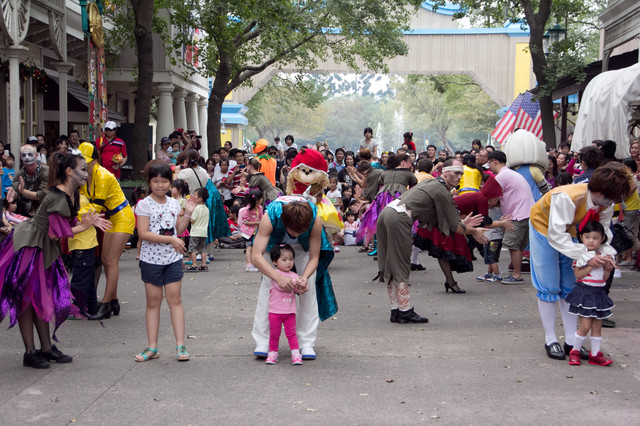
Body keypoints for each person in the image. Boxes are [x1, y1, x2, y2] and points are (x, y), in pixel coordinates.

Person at [0, 152, 111, 368]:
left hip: (42, 247)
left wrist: (88, 221)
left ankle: (46, 348)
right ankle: (30, 352)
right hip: (29, 245)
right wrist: (87, 225)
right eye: (81, 169)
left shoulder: (73, 194)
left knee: (40, 298)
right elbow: (55, 233)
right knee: (27, 299)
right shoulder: (57, 196)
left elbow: (64, 225)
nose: (85, 173)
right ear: (69, 172)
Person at [529, 166, 631, 361]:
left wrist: (605, 255)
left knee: (570, 286)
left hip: (570, 234)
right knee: (549, 285)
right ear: (601, 193)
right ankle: (550, 339)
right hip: (543, 229)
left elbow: (604, 234)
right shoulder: (567, 197)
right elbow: (556, 235)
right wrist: (586, 256)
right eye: (615, 197)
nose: (615, 202)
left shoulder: (605, 204)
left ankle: (571, 341)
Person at [377, 159, 487, 322]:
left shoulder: (433, 184)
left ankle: (396, 310)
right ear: (445, 172)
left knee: (391, 264)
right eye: (456, 173)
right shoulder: (440, 190)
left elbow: (451, 222)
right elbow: (454, 226)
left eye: (461, 174)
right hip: (399, 217)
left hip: (388, 212)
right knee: (400, 265)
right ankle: (405, 311)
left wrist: (463, 225)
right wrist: (473, 232)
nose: (459, 177)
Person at [251, 197, 337, 361]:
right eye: (293, 231)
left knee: (308, 289)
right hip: (274, 245)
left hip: (302, 248)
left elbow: (314, 257)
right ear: (285, 222)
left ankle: (306, 342)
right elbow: (256, 256)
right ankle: (263, 341)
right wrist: (278, 277)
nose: (296, 234)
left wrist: (303, 278)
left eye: (300, 231)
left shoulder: (315, 220)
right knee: (268, 288)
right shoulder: (270, 217)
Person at [135, 162, 196, 362]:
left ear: (171, 183)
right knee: (153, 302)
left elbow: (178, 230)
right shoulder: (144, 204)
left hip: (172, 259)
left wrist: (187, 213)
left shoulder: (173, 203)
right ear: (149, 182)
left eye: (164, 181)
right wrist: (170, 240)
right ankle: (152, 347)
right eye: (155, 181)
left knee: (175, 299)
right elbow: (143, 233)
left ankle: (181, 346)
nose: (160, 185)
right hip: (151, 259)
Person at [78, 142, 136, 320]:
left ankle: (105, 304)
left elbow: (97, 205)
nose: (83, 164)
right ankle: (113, 301)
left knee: (111, 260)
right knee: (106, 260)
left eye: (86, 160)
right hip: (109, 218)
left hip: (122, 216)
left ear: (95, 160)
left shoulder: (102, 175)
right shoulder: (86, 175)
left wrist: (80, 215)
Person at [564, 221, 616, 366]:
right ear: (581, 237)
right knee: (585, 326)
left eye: (595, 237)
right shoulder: (581, 255)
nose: (591, 241)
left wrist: (607, 269)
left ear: (602, 239)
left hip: (599, 293)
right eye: (587, 237)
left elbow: (604, 279)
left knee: (597, 326)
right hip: (585, 293)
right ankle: (575, 351)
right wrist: (591, 265)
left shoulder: (605, 254)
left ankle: (595, 354)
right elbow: (578, 275)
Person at [488, 151, 535, 284]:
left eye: (490, 163)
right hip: (525, 212)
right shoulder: (511, 173)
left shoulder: (501, 176)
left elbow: (491, 200)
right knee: (518, 246)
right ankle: (516, 273)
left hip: (518, 215)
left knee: (513, 245)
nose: (489, 166)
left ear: (494, 162)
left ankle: (517, 275)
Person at [265, 243, 305, 365]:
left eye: (291, 259)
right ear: (275, 261)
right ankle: (273, 353)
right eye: (284, 259)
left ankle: (295, 353)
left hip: (290, 311)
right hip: (275, 311)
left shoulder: (294, 275)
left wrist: (301, 286)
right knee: (274, 333)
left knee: (291, 333)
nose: (288, 262)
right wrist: (296, 281)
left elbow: (295, 290)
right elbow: (281, 286)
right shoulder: (275, 274)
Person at [12, 145, 49, 217]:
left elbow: (41, 195)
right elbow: (15, 190)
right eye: (24, 155)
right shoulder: (20, 173)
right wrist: (12, 194)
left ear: (36, 155)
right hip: (28, 210)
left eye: (30, 154)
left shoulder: (45, 171)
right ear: (20, 157)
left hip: (48, 208)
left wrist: (22, 191)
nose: (27, 157)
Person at [185, 187, 210, 272]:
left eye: (195, 195)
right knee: (202, 249)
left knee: (192, 249)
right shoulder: (206, 209)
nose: (193, 197)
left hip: (195, 232)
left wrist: (188, 216)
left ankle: (194, 264)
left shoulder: (197, 208)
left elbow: (192, 220)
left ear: (200, 198)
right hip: (204, 232)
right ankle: (204, 264)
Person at [240, 190, 264, 272]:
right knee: (249, 247)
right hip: (247, 232)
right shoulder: (247, 210)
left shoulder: (260, 208)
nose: (262, 199)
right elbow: (245, 222)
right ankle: (249, 265)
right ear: (257, 200)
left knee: (254, 247)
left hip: (255, 231)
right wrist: (257, 222)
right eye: (261, 198)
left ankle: (253, 263)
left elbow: (262, 217)